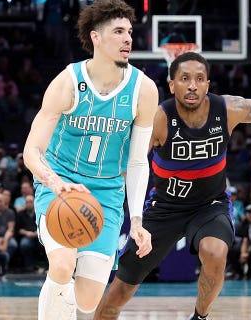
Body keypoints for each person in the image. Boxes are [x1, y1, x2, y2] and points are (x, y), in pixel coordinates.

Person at [94, 52, 251, 320]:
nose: (193, 85)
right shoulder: (159, 119)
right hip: (164, 207)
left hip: (210, 205)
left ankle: (200, 317)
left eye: (199, 79)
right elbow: (130, 166)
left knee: (215, 251)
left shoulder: (227, 110)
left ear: (208, 84)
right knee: (118, 294)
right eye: (185, 78)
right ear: (172, 85)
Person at [22, 0, 158, 318]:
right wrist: (58, 186)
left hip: (107, 192)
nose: (128, 39)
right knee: (62, 263)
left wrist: (136, 220)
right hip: (60, 182)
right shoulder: (68, 83)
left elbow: (138, 162)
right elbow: (31, 152)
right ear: (96, 37)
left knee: (87, 301)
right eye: (118, 32)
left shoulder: (144, 89)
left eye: (129, 32)